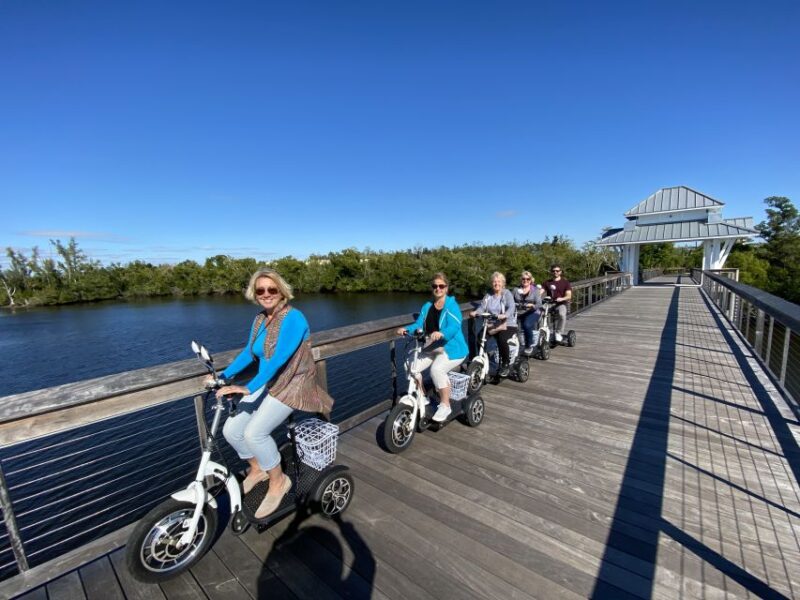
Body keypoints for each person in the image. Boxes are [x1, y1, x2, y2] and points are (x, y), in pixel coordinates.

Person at [207, 268, 333, 519]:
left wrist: (247, 387)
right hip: (267, 382)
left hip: (292, 384)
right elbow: (249, 353)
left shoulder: (294, 318)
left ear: (282, 292)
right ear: (254, 294)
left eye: (271, 289)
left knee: (255, 433)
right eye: (260, 290)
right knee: (231, 431)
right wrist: (223, 377)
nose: (266, 294)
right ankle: (257, 469)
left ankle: (278, 481)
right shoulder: (259, 319)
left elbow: (278, 360)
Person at [395, 273, 468, 422]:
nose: (438, 288)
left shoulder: (452, 306)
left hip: (451, 348)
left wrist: (441, 333)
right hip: (432, 347)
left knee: (437, 370)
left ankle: (445, 405)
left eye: (441, 286)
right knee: (410, 365)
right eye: (435, 286)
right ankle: (422, 396)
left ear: (446, 288)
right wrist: (406, 329)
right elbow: (419, 325)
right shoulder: (427, 306)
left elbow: (455, 326)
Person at [470, 272, 517, 377]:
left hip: (507, 324)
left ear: (503, 283)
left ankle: (505, 364)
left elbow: (512, 307)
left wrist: (505, 315)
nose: (496, 284)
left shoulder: (507, 293)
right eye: (494, 282)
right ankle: (484, 359)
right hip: (492, 325)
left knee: (502, 338)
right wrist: (476, 312)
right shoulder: (488, 295)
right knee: (480, 337)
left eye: (499, 281)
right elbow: (482, 307)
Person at [513, 270, 543, 354]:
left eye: (528, 279)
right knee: (510, 327)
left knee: (527, 324)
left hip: (533, 311)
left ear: (531, 280)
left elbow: (539, 304)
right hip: (519, 312)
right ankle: (513, 346)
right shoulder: (516, 290)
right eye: (523, 279)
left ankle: (528, 345)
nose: (525, 281)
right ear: (521, 279)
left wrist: (532, 306)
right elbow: (510, 302)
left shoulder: (535, 290)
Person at [543, 264, 572, 343]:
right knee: (538, 312)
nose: (555, 272)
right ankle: (543, 331)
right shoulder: (547, 282)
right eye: (553, 271)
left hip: (561, 303)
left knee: (562, 314)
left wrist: (562, 298)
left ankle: (558, 332)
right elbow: (540, 292)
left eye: (557, 271)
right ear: (551, 272)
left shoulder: (565, 282)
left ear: (560, 272)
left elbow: (569, 295)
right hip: (549, 303)